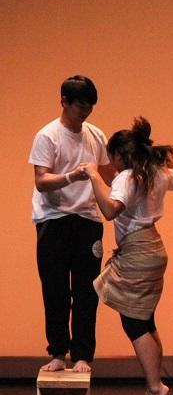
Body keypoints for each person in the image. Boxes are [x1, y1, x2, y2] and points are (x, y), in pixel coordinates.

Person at [85, 118, 173, 395]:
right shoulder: (155, 173)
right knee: (146, 320)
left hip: (138, 251)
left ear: (119, 156)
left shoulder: (126, 178)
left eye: (111, 157)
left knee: (134, 323)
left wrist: (94, 177)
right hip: (153, 247)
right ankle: (154, 385)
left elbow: (109, 211)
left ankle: (156, 386)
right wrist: (158, 165)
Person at [29, 75, 116, 373]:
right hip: (53, 220)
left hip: (88, 220)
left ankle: (82, 355)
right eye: (80, 105)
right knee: (54, 289)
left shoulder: (96, 135)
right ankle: (57, 352)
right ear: (64, 101)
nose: (86, 111)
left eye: (90, 105)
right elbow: (41, 180)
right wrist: (71, 177)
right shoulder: (48, 135)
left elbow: (108, 175)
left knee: (86, 290)